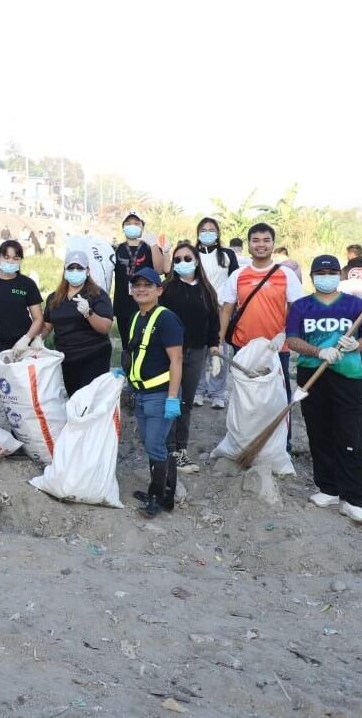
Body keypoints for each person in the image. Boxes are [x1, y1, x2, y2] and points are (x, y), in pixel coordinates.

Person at [286, 255, 362, 525]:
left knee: (349, 435)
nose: (326, 276)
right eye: (321, 272)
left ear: (339, 275)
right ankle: (328, 488)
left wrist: (356, 346)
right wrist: (317, 351)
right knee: (318, 431)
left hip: (347, 376)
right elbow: (291, 339)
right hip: (312, 373)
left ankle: (353, 498)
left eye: (331, 271)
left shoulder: (355, 305)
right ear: (313, 277)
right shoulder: (302, 306)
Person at [218, 223, 305, 445]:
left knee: (278, 397)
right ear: (249, 245)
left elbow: (297, 309)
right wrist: (218, 341)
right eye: (255, 240)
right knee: (245, 396)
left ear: (273, 244)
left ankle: (281, 444)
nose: (261, 245)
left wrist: (286, 333)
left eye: (266, 240)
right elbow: (227, 309)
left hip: (276, 348)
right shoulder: (239, 275)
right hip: (243, 347)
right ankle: (245, 441)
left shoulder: (285, 274)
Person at [121, 267, 184, 518]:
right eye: (137, 285)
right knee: (153, 444)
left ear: (159, 290)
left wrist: (171, 397)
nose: (141, 289)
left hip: (160, 394)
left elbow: (176, 359)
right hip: (141, 393)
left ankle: (157, 496)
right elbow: (136, 352)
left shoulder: (167, 319)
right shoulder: (136, 317)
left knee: (155, 445)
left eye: (147, 285)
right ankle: (167, 494)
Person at [160, 243, 221, 474]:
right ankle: (164, 449)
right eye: (177, 259)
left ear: (196, 260)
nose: (182, 263)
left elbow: (214, 322)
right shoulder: (167, 289)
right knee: (168, 398)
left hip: (196, 352)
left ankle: (180, 450)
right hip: (168, 354)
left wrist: (214, 348)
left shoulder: (206, 291)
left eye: (187, 258)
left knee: (185, 402)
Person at [0, 239, 44, 415]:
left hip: (21, 346)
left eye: (15, 258)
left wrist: (28, 338)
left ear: (20, 260)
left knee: (23, 397)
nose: (11, 262)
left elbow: (38, 318)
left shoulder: (27, 284)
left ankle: (23, 438)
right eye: (7, 257)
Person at [41, 249, 114, 397]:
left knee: (87, 402)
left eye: (79, 268)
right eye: (71, 268)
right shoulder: (54, 298)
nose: (75, 271)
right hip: (66, 358)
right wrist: (34, 339)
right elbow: (47, 326)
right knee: (73, 399)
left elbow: (105, 327)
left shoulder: (97, 295)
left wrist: (89, 313)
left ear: (87, 271)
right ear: (65, 271)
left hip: (93, 356)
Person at [194, 217, 239, 409]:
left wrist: (231, 306)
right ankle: (198, 390)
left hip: (221, 309)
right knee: (198, 352)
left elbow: (235, 280)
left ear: (218, 233)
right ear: (198, 233)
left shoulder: (227, 254)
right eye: (203, 229)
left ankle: (218, 392)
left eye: (211, 229)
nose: (207, 232)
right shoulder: (192, 254)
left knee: (219, 350)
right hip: (197, 308)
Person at [112, 212, 166, 373]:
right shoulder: (117, 249)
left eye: (137, 223)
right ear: (123, 227)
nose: (132, 225)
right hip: (123, 304)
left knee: (147, 341)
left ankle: (146, 373)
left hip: (146, 303)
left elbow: (159, 269)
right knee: (126, 343)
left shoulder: (149, 248)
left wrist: (155, 246)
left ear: (142, 227)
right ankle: (128, 374)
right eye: (129, 223)